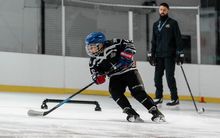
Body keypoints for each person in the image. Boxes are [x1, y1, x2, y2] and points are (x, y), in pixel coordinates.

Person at [85, 32, 165, 122]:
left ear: (100, 44)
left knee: (137, 92)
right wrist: (98, 78)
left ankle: (155, 111)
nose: (90, 50)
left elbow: (129, 44)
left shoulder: (114, 43)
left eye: (92, 47)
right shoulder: (93, 61)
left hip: (129, 70)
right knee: (114, 92)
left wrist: (127, 53)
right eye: (89, 47)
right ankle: (130, 112)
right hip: (115, 76)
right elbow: (94, 73)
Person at [147, 3, 184, 106]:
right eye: (161, 9)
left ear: (168, 11)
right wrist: (152, 54)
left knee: (169, 77)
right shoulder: (156, 24)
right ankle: (158, 97)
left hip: (169, 55)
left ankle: (175, 98)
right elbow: (153, 41)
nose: (162, 11)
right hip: (159, 56)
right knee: (157, 77)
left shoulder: (173, 23)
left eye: (164, 10)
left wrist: (180, 54)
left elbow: (178, 39)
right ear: (159, 11)